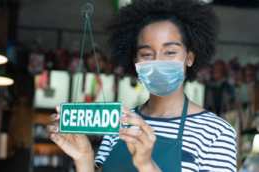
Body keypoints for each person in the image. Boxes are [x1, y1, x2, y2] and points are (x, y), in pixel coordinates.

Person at [46, 0, 237, 171]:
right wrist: (84, 158)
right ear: (136, 62)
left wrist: (147, 165)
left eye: (170, 52)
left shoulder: (216, 133)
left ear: (189, 57)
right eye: (147, 54)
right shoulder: (119, 124)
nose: (158, 62)